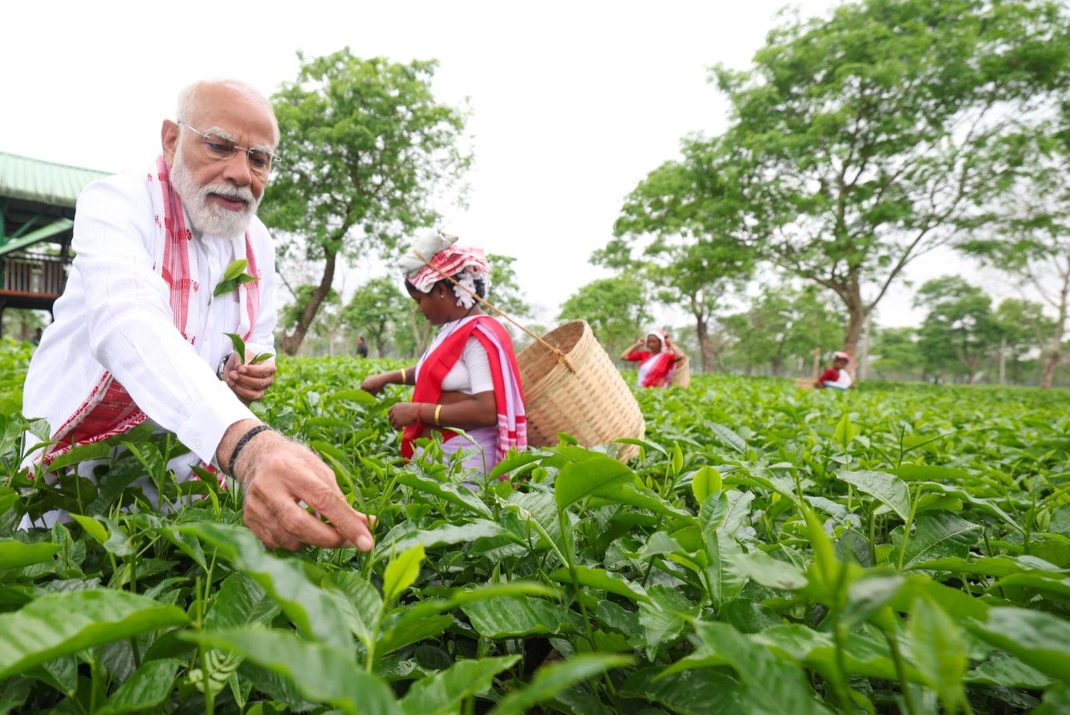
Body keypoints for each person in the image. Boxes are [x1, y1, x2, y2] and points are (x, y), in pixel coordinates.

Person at [19, 80, 374, 553]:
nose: (241, 173)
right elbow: (127, 320)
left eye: (259, 159)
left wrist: (255, 368)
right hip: (79, 470)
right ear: (171, 139)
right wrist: (250, 447)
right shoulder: (118, 203)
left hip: (183, 474)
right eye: (220, 146)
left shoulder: (257, 241)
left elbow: (259, 332)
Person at [360, 230, 525, 478]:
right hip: (446, 461)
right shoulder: (453, 329)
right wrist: (386, 378)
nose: (419, 309)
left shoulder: (477, 336)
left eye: (419, 300)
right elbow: (434, 372)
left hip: (468, 467)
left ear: (440, 290)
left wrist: (417, 411)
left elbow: (487, 411)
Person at [620, 330, 685, 388]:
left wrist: (670, 343)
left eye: (654, 342)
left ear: (660, 343)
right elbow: (623, 356)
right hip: (642, 388)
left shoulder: (667, 357)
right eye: (649, 342)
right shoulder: (643, 354)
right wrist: (637, 345)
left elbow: (681, 356)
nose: (651, 344)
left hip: (658, 390)